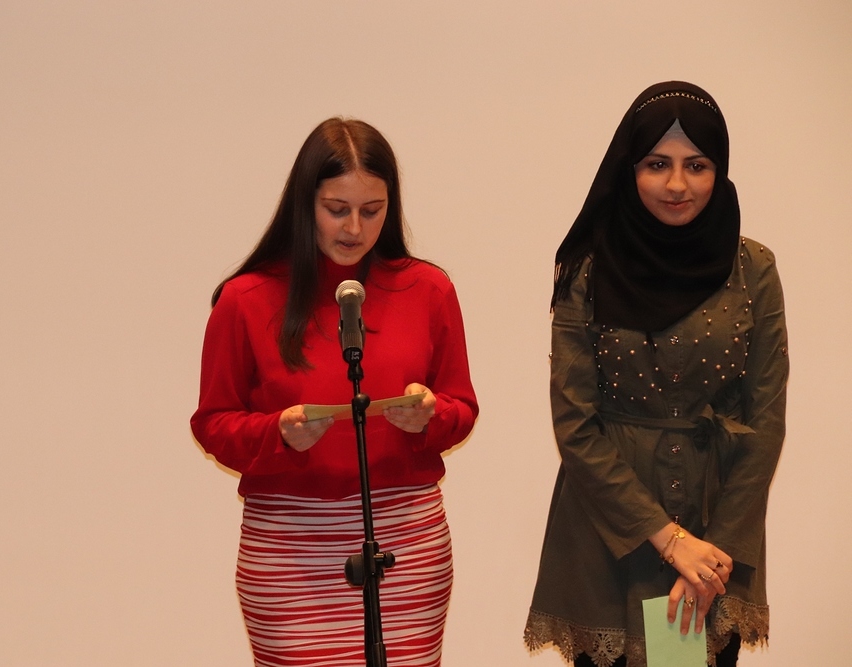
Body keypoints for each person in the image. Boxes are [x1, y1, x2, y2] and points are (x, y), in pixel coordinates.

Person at [191, 117, 478, 667]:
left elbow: (462, 406)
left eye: (372, 210)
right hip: (290, 548)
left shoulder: (428, 289)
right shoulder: (245, 298)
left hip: (406, 540)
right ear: (305, 205)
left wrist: (431, 416)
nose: (354, 227)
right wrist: (277, 434)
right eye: (336, 208)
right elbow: (212, 422)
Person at [523, 82, 788, 667]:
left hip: (716, 530)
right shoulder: (586, 271)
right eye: (657, 164)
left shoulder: (754, 269)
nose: (677, 184)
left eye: (697, 165)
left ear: (719, 170)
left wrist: (710, 558)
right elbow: (575, 426)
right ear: (629, 168)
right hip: (609, 532)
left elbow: (766, 421)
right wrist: (670, 542)